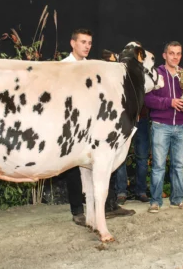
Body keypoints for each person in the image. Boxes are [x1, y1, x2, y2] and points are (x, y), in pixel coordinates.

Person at [61, 28, 135, 226]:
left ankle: (106, 206)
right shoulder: (61, 67)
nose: (87, 46)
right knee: (71, 169)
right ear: (72, 43)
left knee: (102, 165)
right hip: (69, 126)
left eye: (89, 43)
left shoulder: (94, 67)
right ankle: (77, 210)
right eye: (83, 42)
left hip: (93, 126)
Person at [144, 41, 183, 213]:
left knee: (178, 165)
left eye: (178, 53)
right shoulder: (156, 74)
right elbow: (148, 99)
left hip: (181, 126)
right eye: (172, 53)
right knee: (158, 166)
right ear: (164, 55)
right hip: (161, 126)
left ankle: (177, 199)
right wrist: (170, 102)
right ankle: (155, 201)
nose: (175, 56)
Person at [115, 105, 150, 205]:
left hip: (142, 119)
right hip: (123, 119)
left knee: (142, 157)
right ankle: (121, 192)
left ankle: (141, 191)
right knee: (121, 157)